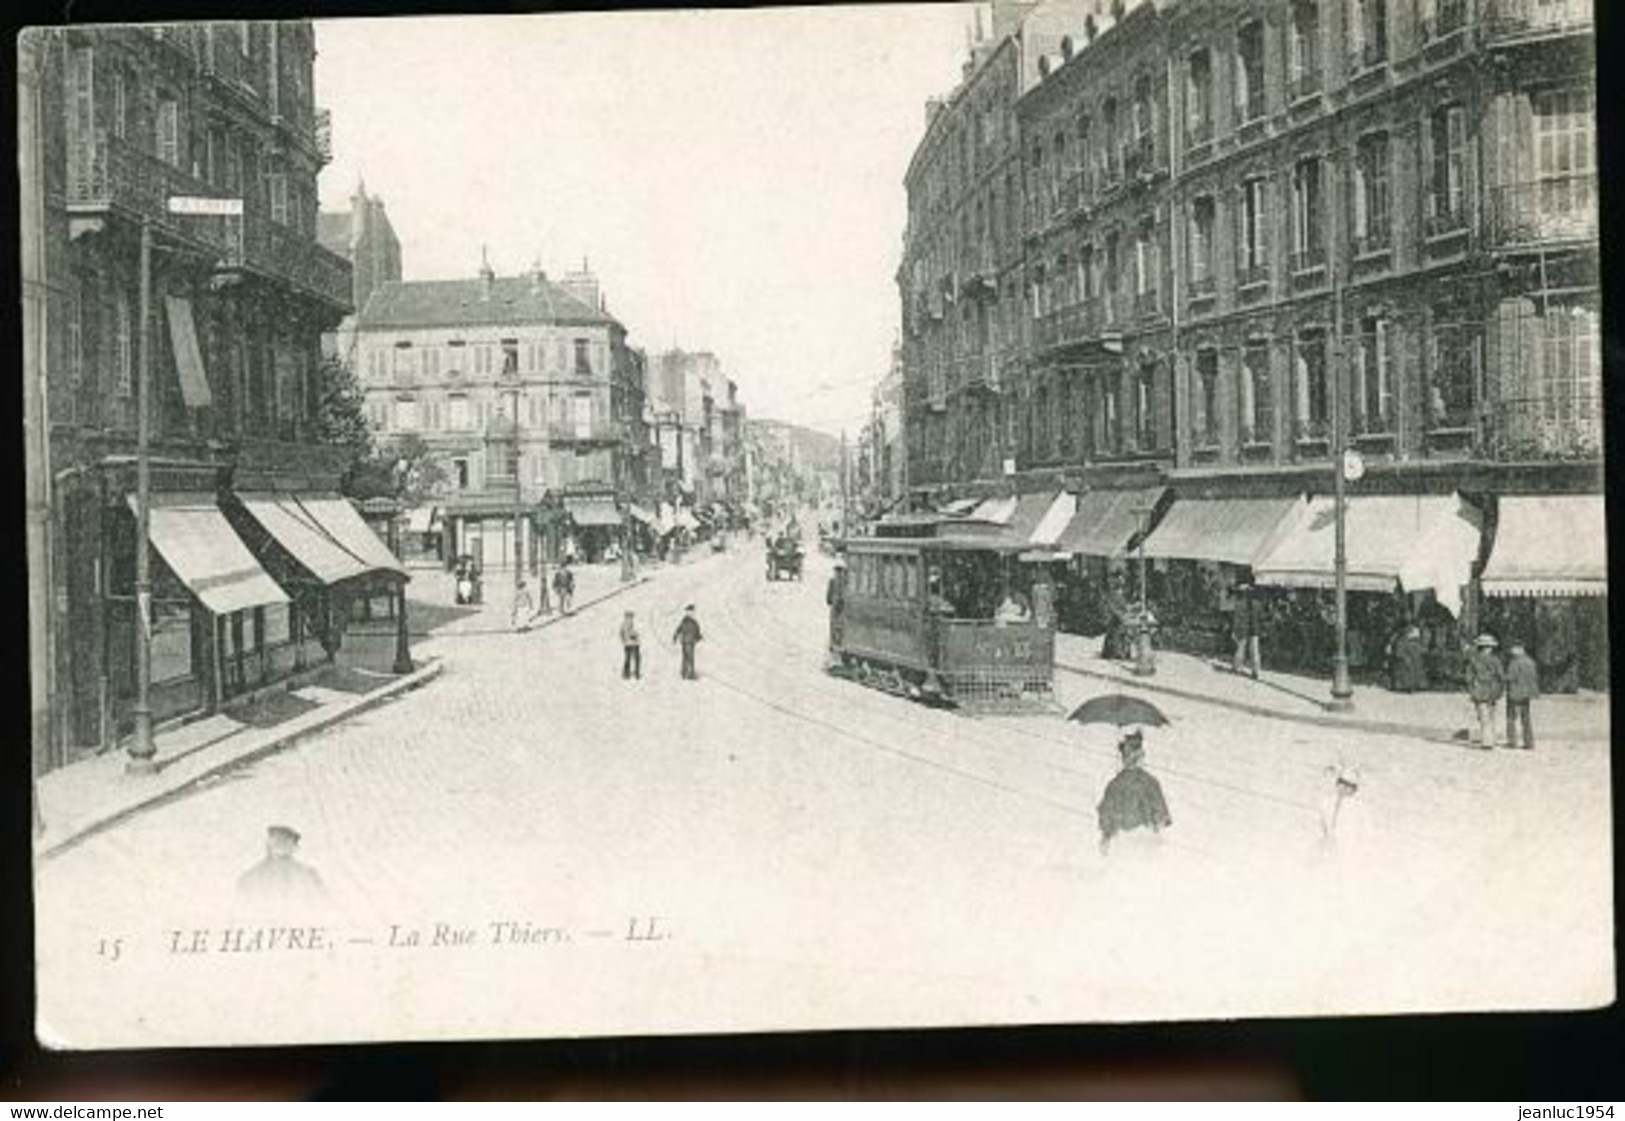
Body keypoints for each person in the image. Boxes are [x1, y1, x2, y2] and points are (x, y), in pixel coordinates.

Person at [1096, 730, 1172, 855]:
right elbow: (1161, 818)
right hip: (1147, 842)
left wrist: (1105, 839)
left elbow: (1106, 819)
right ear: (1141, 757)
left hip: (1121, 843)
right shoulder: (1151, 782)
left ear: (1123, 758)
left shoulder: (1114, 785)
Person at [236, 825, 326, 907]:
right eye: (277, 840)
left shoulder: (309, 875)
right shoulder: (250, 878)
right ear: (268, 843)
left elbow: (324, 906)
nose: (281, 844)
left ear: (295, 847)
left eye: (286, 840)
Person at [1465, 633, 1505, 749]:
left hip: (1479, 689)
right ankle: (1491, 739)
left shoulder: (1474, 660)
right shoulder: (1496, 660)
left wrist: (1471, 688)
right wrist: (1500, 689)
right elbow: (1500, 675)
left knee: (1483, 716)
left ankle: (1487, 741)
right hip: (1492, 689)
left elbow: (1469, 676)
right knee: (1491, 715)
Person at [1504, 642, 1539, 750]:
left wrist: (1502, 678)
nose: (1511, 651)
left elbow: (1510, 677)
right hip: (1527, 694)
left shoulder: (1514, 662)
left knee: (1511, 718)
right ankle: (1529, 742)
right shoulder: (1531, 662)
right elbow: (1534, 677)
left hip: (1515, 693)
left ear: (1520, 649)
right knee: (1526, 718)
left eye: (1513, 648)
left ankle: (1512, 741)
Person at [1230, 580, 1261, 679]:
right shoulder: (1257, 603)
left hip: (1243, 627)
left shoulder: (1239, 604)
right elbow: (1260, 616)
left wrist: (1234, 630)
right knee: (1255, 650)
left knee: (1240, 648)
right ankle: (1255, 671)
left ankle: (1237, 667)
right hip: (1255, 628)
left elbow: (1237, 618)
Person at [1387, 624, 1427, 693]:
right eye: (1414, 633)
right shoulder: (1401, 641)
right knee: (1406, 670)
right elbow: (1398, 653)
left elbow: (1421, 649)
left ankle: (1416, 685)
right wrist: (1406, 657)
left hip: (1413, 663)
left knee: (1417, 668)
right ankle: (1403, 686)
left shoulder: (1415, 642)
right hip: (1402, 664)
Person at [673, 604, 704, 681]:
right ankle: (690, 674)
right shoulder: (693, 622)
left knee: (685, 657)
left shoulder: (684, 621)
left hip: (684, 641)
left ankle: (684, 673)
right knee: (690, 657)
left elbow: (679, 629)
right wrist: (699, 637)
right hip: (690, 642)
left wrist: (675, 636)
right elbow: (697, 631)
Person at [620, 610, 642, 680]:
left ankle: (627, 673)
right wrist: (635, 635)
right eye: (631, 616)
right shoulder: (627, 623)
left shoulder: (624, 624)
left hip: (628, 644)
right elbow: (630, 633)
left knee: (628, 658)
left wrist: (624, 641)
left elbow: (621, 634)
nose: (632, 617)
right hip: (633, 643)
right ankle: (636, 673)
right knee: (636, 658)